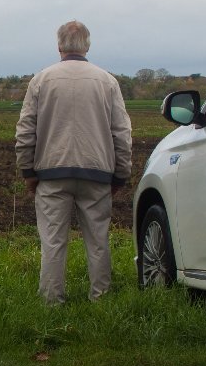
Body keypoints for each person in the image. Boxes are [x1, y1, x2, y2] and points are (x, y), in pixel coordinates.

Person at [15, 20, 133, 305]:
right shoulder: (107, 82)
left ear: (59, 46)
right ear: (87, 45)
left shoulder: (41, 80)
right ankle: (101, 299)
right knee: (98, 240)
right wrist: (121, 174)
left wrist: (28, 171)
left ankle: (52, 302)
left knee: (53, 241)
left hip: (52, 173)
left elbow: (25, 130)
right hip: (97, 172)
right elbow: (122, 133)